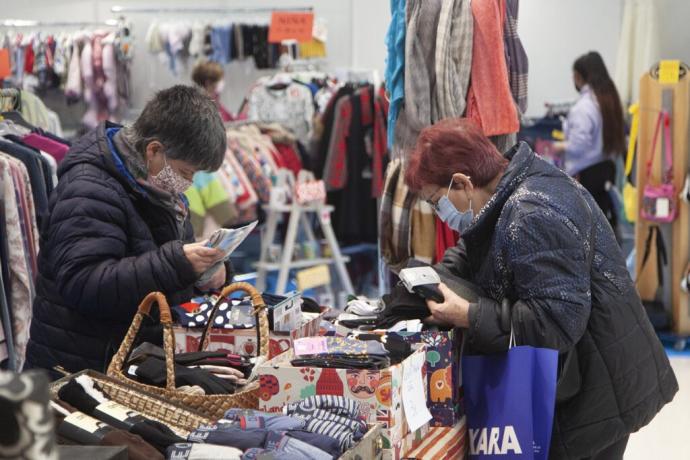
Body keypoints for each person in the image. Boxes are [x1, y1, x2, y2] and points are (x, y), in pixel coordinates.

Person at [405, 118, 677, 460]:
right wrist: (433, 280)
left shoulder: (532, 213)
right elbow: (475, 247)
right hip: (594, 367)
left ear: (461, 182)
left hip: (600, 388)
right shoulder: (513, 186)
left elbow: (557, 321)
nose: (439, 214)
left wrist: (471, 315)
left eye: (435, 201)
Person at [25, 85, 231, 377]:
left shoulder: (159, 188)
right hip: (78, 375)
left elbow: (159, 271)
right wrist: (177, 262)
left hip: (128, 364)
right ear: (154, 150)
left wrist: (203, 273)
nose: (190, 183)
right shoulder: (88, 189)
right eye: (187, 172)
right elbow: (84, 283)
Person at [555, 51, 626, 230]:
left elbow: (579, 145)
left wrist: (558, 146)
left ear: (579, 77)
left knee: (587, 230)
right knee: (604, 228)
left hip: (587, 176)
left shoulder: (583, 107)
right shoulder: (608, 101)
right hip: (606, 170)